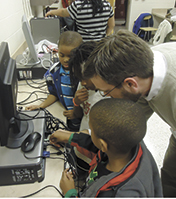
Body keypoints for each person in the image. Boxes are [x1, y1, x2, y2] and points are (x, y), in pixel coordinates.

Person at [83, 29, 176, 197]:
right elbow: (130, 117)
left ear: (130, 84)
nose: (107, 97)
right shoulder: (143, 66)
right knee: (169, 177)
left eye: (106, 92)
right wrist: (94, 133)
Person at [50, 98, 163, 197]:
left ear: (103, 144)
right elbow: (97, 148)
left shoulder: (118, 193)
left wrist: (70, 193)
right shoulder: (128, 145)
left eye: (91, 131)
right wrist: (70, 137)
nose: (89, 132)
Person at [26, 31, 83, 131]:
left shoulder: (84, 73)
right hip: (67, 115)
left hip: (83, 117)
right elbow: (54, 94)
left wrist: (77, 112)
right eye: (62, 55)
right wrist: (40, 106)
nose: (65, 60)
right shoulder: (53, 72)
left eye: (70, 56)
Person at [63, 41, 106, 173]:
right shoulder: (84, 85)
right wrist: (76, 102)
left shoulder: (108, 95)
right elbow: (79, 115)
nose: (82, 82)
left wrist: (69, 137)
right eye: (79, 77)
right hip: (81, 147)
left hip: (96, 152)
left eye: (86, 77)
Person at [45, 0, 115, 41]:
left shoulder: (78, 6)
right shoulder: (107, 5)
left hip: (83, 47)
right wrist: (105, 36)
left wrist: (51, 12)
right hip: (100, 47)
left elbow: (63, 12)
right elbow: (111, 25)